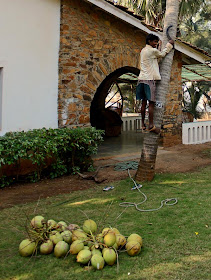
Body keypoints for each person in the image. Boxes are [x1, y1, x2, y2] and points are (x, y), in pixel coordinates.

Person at [136, 33, 174, 134]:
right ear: (149, 41)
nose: (156, 44)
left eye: (157, 42)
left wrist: (159, 47)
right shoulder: (152, 51)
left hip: (141, 80)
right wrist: (169, 45)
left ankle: (143, 124)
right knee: (151, 103)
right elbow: (161, 55)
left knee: (143, 103)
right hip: (149, 80)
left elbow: (155, 58)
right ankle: (151, 125)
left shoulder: (143, 50)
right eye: (154, 42)